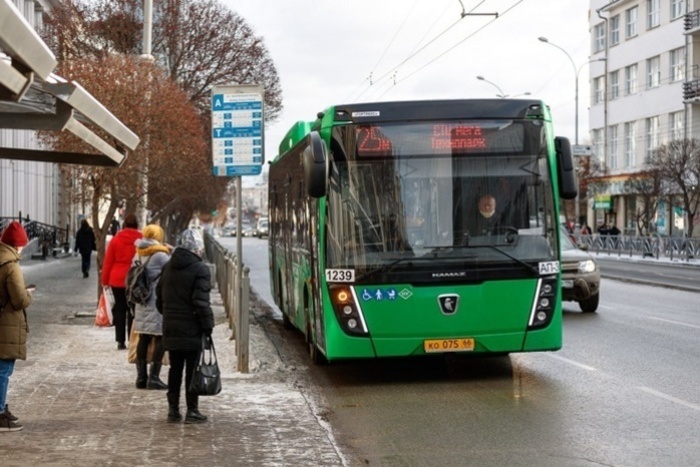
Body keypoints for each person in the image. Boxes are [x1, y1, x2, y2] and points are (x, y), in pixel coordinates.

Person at [156, 228, 214, 424]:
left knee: (175, 369)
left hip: (171, 327)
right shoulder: (200, 269)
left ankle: (173, 410)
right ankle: (192, 410)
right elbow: (201, 303)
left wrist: (170, 316)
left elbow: (159, 299)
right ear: (197, 248)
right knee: (192, 370)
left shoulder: (168, 267)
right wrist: (208, 326)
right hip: (192, 327)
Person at [0, 221, 33, 432]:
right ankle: (0, 411)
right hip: (7, 324)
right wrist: (29, 295)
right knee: (3, 369)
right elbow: (19, 299)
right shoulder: (11, 266)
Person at [132, 224, 171, 390]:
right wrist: (172, 249)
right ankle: (154, 377)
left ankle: (141, 378)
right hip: (156, 300)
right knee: (160, 337)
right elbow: (174, 267)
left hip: (142, 299)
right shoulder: (160, 255)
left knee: (144, 337)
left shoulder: (138, 252)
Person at [101, 213, 142, 350]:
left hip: (117, 279)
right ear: (137, 225)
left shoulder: (116, 240)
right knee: (133, 310)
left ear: (124, 225)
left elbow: (108, 262)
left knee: (120, 309)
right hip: (135, 279)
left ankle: (120, 340)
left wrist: (105, 280)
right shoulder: (141, 240)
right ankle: (132, 339)